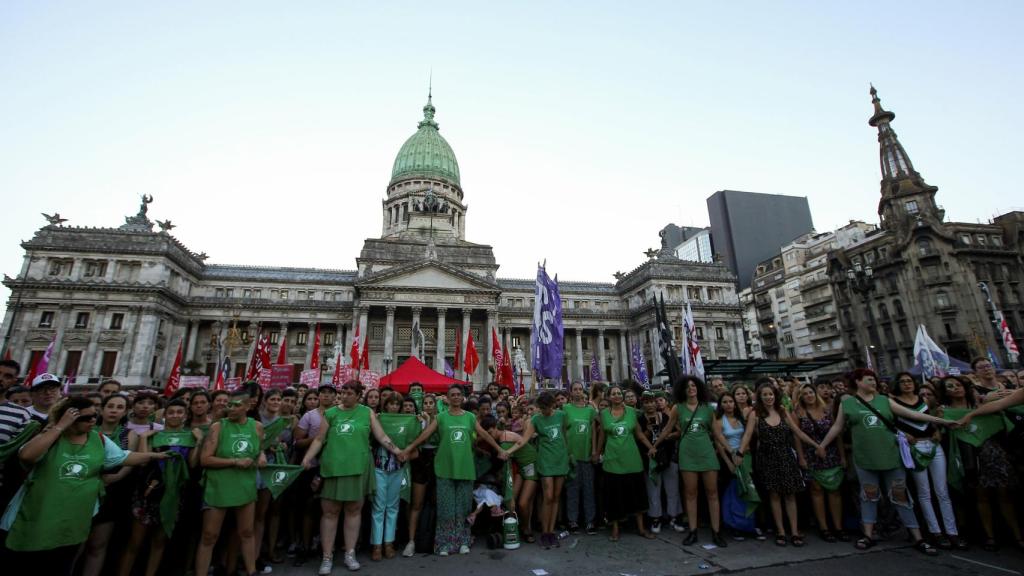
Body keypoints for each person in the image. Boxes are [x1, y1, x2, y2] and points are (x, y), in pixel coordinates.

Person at [1, 396, 168, 574]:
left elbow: (123, 457)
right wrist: (59, 427)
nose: (91, 421)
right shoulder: (51, 436)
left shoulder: (98, 439)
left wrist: (155, 456)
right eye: (85, 418)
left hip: (73, 521)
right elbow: (27, 456)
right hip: (38, 518)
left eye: (94, 416)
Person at [817, 369, 951, 555]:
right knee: (869, 496)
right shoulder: (847, 404)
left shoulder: (885, 401)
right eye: (869, 379)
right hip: (865, 459)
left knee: (900, 496)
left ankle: (917, 536)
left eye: (874, 379)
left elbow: (913, 415)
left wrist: (941, 421)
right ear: (858, 382)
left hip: (891, 457)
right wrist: (822, 445)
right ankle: (868, 535)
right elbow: (837, 427)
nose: (874, 382)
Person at [302, 381, 405, 573]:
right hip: (333, 467)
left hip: (358, 467)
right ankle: (327, 557)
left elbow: (381, 436)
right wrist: (308, 457)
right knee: (330, 512)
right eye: (343, 392)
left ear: (358, 395)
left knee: (353, 511)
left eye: (350, 393)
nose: (345, 396)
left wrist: (397, 451)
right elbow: (319, 439)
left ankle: (350, 553)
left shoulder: (367, 412)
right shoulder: (331, 413)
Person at [404, 384, 508, 556]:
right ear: (448, 397)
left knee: (463, 508)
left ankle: (463, 542)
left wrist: (499, 449)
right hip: (445, 468)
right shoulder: (441, 417)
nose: (456, 397)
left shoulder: (469, 417)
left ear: (462, 397)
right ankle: (444, 544)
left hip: (465, 468)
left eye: (459, 394)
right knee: (446, 509)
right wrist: (409, 448)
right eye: (452, 394)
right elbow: (425, 435)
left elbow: (486, 435)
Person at [117, 399, 200, 576]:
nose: (175, 415)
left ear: (185, 416)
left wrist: (199, 442)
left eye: (179, 412)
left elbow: (192, 464)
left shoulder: (190, 436)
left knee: (159, 541)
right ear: (164, 416)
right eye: (171, 412)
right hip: (149, 493)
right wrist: (145, 438)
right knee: (135, 542)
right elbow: (141, 462)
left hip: (174, 493)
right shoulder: (152, 435)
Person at [940, 376, 1021, 550]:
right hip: (971, 460)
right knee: (981, 496)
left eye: (959, 385)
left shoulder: (983, 406)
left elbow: (1002, 409)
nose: (956, 388)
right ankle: (989, 536)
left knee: (1005, 495)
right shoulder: (944, 412)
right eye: (950, 386)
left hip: (994, 456)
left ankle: (1017, 536)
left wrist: (977, 409)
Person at [194, 388, 267, 576]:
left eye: (236, 405)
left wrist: (261, 457)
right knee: (209, 536)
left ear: (247, 406)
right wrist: (234, 461)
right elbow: (205, 459)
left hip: (245, 485)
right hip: (219, 486)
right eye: (229, 405)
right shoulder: (218, 427)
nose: (231, 409)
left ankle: (251, 571)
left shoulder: (257, 426)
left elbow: (258, 449)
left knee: (247, 532)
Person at [740, 381, 816, 547]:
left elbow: (797, 432)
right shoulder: (756, 414)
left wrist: (816, 445)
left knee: (790, 494)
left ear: (776, 395)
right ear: (760, 397)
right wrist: (740, 452)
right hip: (767, 458)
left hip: (786, 456)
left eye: (771, 394)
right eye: (765, 394)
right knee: (774, 495)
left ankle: (794, 531)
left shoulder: (782, 411)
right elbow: (747, 435)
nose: (769, 397)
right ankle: (780, 531)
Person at [891, 372, 960, 549]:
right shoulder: (892, 402)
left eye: (909, 381)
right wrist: (902, 434)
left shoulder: (924, 400)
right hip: (915, 449)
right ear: (897, 385)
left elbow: (931, 419)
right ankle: (935, 531)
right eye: (902, 381)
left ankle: (952, 532)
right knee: (924, 492)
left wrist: (937, 429)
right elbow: (891, 425)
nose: (907, 384)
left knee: (942, 491)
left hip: (934, 446)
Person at [655, 376, 726, 547]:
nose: (691, 389)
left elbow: (717, 434)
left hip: (707, 453)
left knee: (712, 493)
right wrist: (655, 445)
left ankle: (716, 531)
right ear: (682, 390)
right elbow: (667, 429)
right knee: (690, 494)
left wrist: (731, 450)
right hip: (687, 454)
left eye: (694, 386)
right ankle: (693, 531)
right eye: (687, 387)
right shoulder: (677, 408)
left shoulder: (708, 408)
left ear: (699, 388)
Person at [509, 391, 569, 548]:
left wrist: (568, 455)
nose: (544, 411)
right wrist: (508, 451)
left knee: (556, 497)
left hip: (560, 459)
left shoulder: (561, 415)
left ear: (553, 405)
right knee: (548, 496)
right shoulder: (536, 419)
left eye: (546, 407)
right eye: (541, 408)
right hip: (545, 460)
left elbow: (564, 436)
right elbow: (524, 439)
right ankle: (544, 532)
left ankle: (550, 532)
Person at [597, 385, 656, 542]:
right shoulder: (603, 414)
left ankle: (641, 528)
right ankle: (615, 529)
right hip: (612, 459)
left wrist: (651, 447)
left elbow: (639, 434)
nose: (616, 396)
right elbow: (602, 435)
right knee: (614, 496)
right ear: (608, 397)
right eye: (613, 394)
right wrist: (596, 453)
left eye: (618, 393)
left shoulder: (631, 412)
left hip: (632, 459)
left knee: (637, 495)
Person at [792, 383, 847, 543]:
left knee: (834, 490)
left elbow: (837, 434)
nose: (809, 395)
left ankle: (838, 527)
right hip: (811, 454)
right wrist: (801, 458)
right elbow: (797, 436)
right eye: (805, 393)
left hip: (830, 453)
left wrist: (842, 456)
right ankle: (824, 527)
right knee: (816, 491)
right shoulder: (799, 412)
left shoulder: (827, 411)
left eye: (811, 392)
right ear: (801, 397)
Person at [291, 386, 329, 567]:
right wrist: (316, 438)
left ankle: (324, 546)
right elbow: (298, 441)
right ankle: (304, 546)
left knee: (328, 510)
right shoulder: (309, 416)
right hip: (311, 467)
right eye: (323, 393)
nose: (326, 396)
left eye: (331, 393)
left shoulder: (339, 415)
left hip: (331, 468)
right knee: (308, 508)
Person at [638, 391, 683, 534]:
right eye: (646, 402)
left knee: (672, 489)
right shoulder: (640, 419)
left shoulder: (665, 416)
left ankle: (674, 517)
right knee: (653, 490)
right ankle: (655, 518)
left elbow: (678, 432)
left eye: (652, 401)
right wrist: (647, 431)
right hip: (650, 459)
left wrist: (667, 436)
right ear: (642, 404)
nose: (650, 405)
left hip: (668, 456)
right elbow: (637, 438)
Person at [404, 392, 438, 557]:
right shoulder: (417, 420)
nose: (429, 405)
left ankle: (436, 539)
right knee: (416, 504)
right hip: (420, 462)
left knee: (437, 502)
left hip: (437, 461)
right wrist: (424, 423)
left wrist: (430, 421)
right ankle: (411, 541)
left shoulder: (442, 419)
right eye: (426, 403)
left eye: (431, 402)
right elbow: (415, 439)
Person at [563, 381, 598, 535]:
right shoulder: (565, 409)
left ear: (584, 392)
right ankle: (573, 520)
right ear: (570, 392)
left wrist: (595, 450)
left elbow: (596, 431)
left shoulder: (590, 411)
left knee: (589, 489)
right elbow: (563, 431)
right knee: (572, 489)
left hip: (587, 455)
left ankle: (590, 521)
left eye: (580, 389)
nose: (578, 392)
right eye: (575, 389)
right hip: (572, 456)